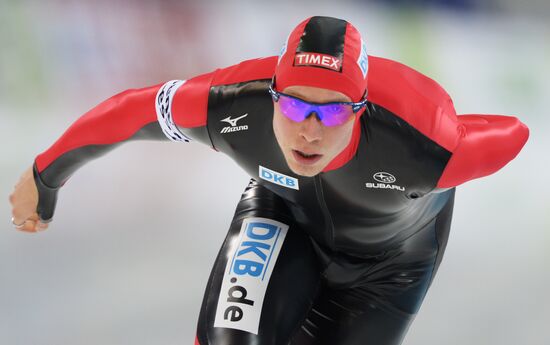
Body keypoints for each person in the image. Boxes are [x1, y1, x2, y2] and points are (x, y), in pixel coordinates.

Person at [9, 16, 529, 345]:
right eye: (296, 105)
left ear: (361, 113)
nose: (308, 131)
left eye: (330, 114)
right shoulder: (234, 104)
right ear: (272, 95)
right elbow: (129, 113)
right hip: (284, 217)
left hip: (388, 269)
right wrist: (45, 174)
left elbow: (515, 131)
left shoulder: (428, 146)